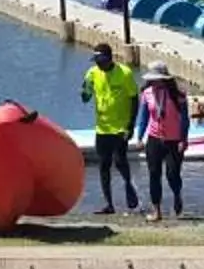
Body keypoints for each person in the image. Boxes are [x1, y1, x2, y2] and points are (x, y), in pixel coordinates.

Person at [80, 41, 141, 215]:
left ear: (109, 58)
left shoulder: (125, 73)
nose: (98, 63)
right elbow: (85, 97)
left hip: (120, 127)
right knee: (103, 165)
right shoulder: (92, 73)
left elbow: (134, 99)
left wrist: (130, 125)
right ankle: (109, 204)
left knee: (120, 161)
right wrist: (84, 93)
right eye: (96, 60)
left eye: (101, 59)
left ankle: (129, 187)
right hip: (102, 128)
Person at [137, 61, 192, 223]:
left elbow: (184, 120)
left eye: (157, 79)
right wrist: (140, 137)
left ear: (164, 79)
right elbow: (144, 117)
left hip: (174, 141)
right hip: (154, 139)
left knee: (172, 174)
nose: (154, 82)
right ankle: (157, 210)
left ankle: (177, 195)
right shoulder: (147, 94)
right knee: (154, 174)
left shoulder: (178, 96)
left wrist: (184, 139)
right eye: (152, 80)